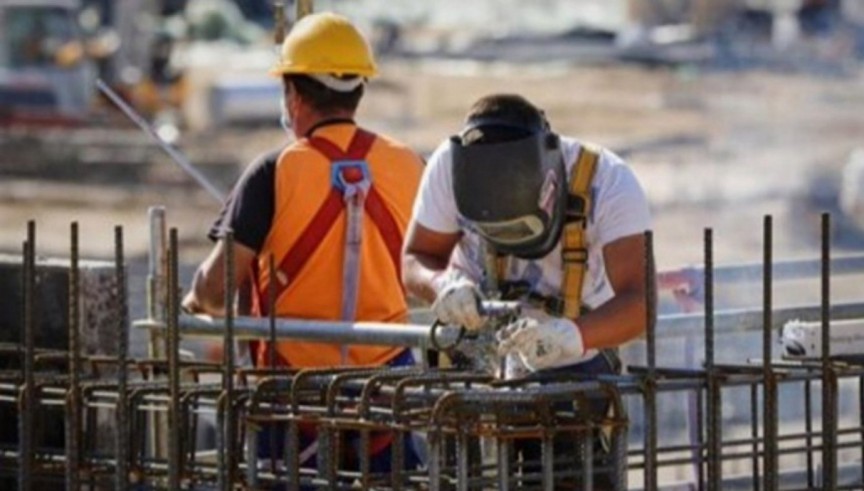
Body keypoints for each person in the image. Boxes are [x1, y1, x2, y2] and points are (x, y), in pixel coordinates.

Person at [182, 11, 423, 482]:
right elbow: (426, 274)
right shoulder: (407, 165)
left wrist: (195, 301)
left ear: (292, 94)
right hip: (387, 395)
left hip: (293, 401)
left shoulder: (273, 171)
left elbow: (215, 289)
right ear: (359, 88)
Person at [402, 93, 653, 488]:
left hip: (572, 365)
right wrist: (444, 286)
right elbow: (416, 257)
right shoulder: (448, 168)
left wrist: (572, 336)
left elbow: (640, 303)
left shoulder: (607, 181)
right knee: (461, 480)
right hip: (475, 357)